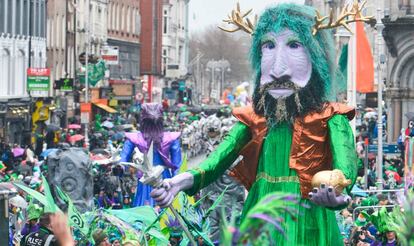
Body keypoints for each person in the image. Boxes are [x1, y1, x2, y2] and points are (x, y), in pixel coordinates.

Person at [150, 3, 365, 245]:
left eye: (294, 45)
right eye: (268, 46)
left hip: (307, 221)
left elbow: (346, 170)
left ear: (316, 56)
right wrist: (178, 182)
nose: (277, 68)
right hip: (261, 214)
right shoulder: (257, 118)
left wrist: (338, 196)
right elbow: (217, 159)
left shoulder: (331, 118)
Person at [120, 103, 182, 207]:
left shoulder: (135, 138)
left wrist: (120, 167)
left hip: (153, 181)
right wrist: (177, 184)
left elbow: (123, 159)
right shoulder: (171, 138)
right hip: (159, 180)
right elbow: (177, 167)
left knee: (145, 210)